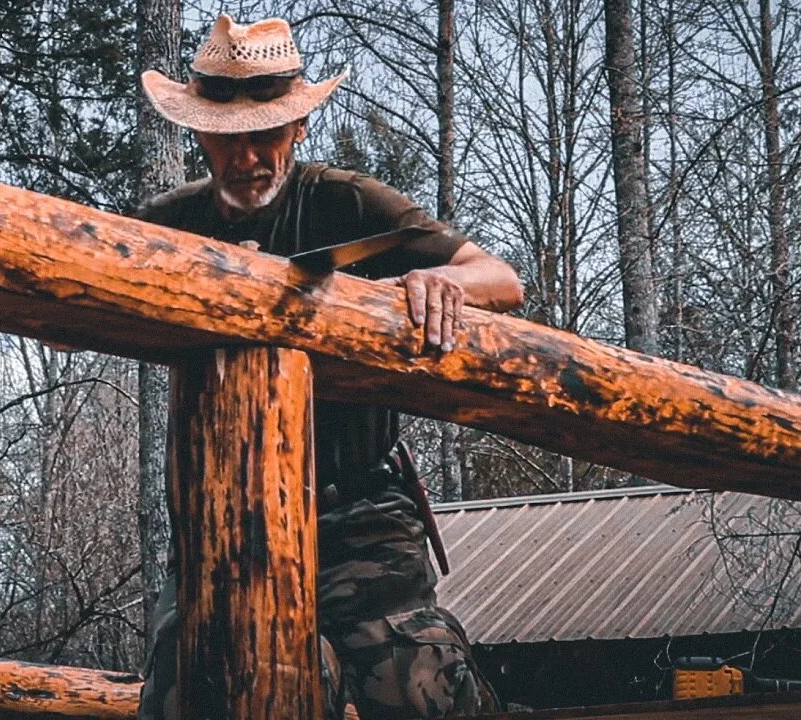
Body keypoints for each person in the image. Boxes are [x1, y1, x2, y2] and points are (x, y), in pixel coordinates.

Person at [136, 14, 524, 720]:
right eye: (229, 139)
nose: (248, 157)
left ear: (299, 130)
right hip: (218, 517)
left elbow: (499, 277)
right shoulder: (168, 222)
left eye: (267, 136)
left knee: (418, 687)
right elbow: (69, 308)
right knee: (188, 687)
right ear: (200, 136)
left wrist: (441, 285)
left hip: (361, 513)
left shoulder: (347, 201)